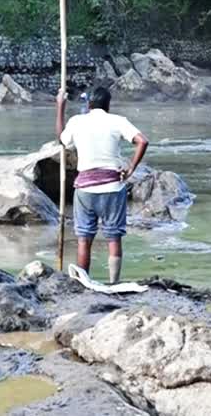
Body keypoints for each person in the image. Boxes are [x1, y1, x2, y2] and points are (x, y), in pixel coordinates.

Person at [56, 87, 149, 284]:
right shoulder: (117, 121)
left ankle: (83, 282)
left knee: (84, 238)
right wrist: (131, 168)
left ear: (89, 104)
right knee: (113, 237)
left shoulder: (76, 121)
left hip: (85, 188)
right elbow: (142, 141)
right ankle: (114, 283)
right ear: (108, 105)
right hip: (112, 187)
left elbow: (61, 140)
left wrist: (60, 107)